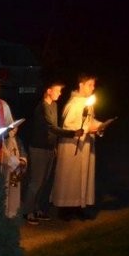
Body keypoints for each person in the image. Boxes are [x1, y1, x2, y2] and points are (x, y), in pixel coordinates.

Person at [22, 81, 83, 225]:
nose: (59, 94)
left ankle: (37, 209)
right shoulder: (41, 107)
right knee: (36, 181)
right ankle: (27, 211)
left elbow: (54, 128)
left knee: (44, 181)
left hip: (49, 148)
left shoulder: (54, 105)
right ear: (49, 91)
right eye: (57, 91)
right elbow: (52, 127)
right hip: (38, 148)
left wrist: (54, 145)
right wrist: (73, 133)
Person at [51, 74, 104, 219]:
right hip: (72, 147)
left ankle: (78, 205)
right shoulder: (74, 103)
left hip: (84, 146)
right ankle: (64, 208)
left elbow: (89, 120)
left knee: (81, 176)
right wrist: (87, 129)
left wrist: (99, 125)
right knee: (70, 176)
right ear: (81, 85)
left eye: (93, 85)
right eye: (90, 85)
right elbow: (68, 125)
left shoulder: (87, 102)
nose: (93, 88)